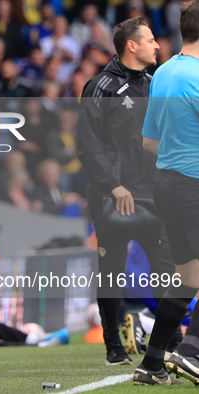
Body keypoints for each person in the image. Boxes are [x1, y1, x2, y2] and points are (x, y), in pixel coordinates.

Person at [75, 16, 175, 367]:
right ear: (131, 45)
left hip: (154, 193)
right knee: (112, 272)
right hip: (113, 196)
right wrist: (114, 186)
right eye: (149, 40)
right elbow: (86, 144)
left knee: (167, 271)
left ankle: (169, 342)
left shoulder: (154, 83)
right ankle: (112, 345)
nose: (157, 45)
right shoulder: (99, 86)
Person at [134, 1, 199, 386]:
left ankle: (152, 363)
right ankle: (191, 352)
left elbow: (148, 141)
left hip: (167, 184)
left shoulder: (164, 72)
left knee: (188, 278)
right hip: (193, 185)